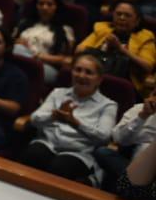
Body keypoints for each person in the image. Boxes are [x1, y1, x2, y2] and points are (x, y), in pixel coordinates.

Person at [20, 53, 117, 185]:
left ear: (99, 79)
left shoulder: (107, 105)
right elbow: (34, 119)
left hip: (79, 152)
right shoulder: (58, 93)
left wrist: (76, 123)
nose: (81, 75)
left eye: (88, 72)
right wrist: (53, 116)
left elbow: (104, 137)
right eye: (78, 70)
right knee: (33, 156)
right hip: (49, 143)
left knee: (60, 167)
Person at [75, 1, 156, 93]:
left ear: (137, 21)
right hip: (94, 77)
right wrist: (101, 49)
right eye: (118, 14)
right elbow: (79, 50)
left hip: (124, 83)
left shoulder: (145, 37)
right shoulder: (102, 29)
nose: (122, 18)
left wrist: (121, 49)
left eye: (127, 15)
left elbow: (147, 66)